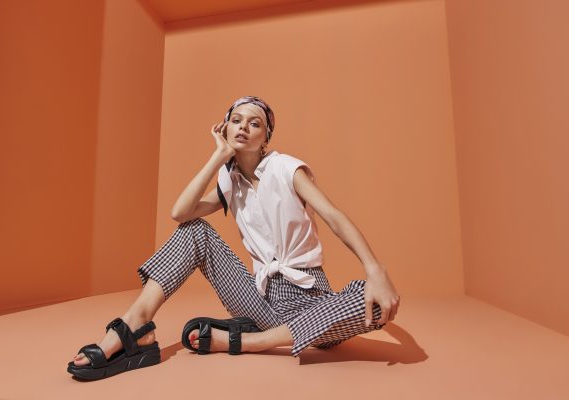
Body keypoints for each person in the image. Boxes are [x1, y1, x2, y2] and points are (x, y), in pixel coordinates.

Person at [67, 95, 400, 379]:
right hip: (260, 299)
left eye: (254, 124)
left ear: (265, 136)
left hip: (312, 303)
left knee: (369, 301)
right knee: (195, 230)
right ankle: (136, 326)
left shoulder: (287, 169)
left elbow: (333, 216)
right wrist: (218, 156)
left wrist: (375, 269)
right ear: (224, 128)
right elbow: (181, 213)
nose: (243, 127)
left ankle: (246, 341)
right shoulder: (230, 183)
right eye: (236, 120)